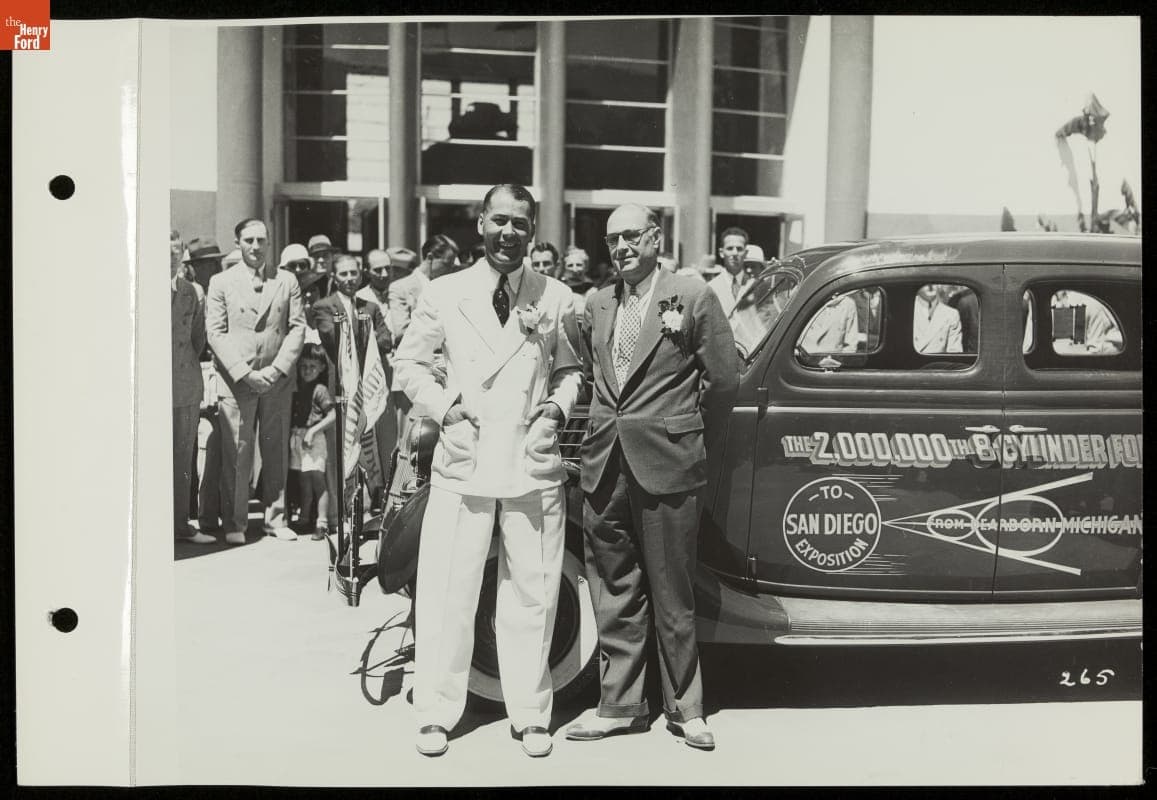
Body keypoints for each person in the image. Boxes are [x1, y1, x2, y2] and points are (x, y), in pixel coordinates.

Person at [393, 183, 583, 759]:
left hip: (531, 458)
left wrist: (557, 408)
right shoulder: (445, 292)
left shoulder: (557, 296)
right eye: (499, 221)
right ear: (480, 224)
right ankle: (436, 710)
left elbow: (571, 371)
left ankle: (530, 714)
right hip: (465, 458)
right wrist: (447, 406)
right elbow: (408, 363)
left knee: (534, 591)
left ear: (533, 230)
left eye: (520, 225)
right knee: (449, 588)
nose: (509, 234)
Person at [566, 203, 739, 751]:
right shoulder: (596, 302)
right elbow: (593, 377)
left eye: (631, 236)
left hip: (667, 463)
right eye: (612, 238)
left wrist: (682, 434)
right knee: (613, 587)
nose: (620, 247)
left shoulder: (692, 295)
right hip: (605, 464)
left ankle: (686, 707)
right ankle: (618, 705)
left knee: (672, 590)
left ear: (655, 238)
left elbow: (724, 381)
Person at [206, 218, 306, 545]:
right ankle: (235, 522)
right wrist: (244, 372)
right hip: (238, 380)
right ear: (238, 243)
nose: (255, 246)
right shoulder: (221, 282)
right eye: (249, 240)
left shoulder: (286, 280)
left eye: (261, 240)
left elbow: (296, 328)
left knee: (274, 449)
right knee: (237, 451)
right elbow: (215, 333)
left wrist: (276, 370)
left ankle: (275, 519)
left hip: (277, 380)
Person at [311, 252, 393, 524]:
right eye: (343, 274)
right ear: (334, 277)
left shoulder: (369, 307)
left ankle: (367, 507)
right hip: (341, 390)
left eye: (353, 273)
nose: (349, 278)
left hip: (366, 390)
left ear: (361, 275)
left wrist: (363, 329)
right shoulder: (324, 306)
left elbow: (384, 341)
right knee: (344, 451)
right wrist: (358, 328)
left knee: (367, 449)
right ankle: (342, 511)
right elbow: (332, 338)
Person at [171, 231, 215, 545]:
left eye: (175, 253)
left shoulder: (193, 292)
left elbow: (198, 340)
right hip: (149, 388)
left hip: (184, 385)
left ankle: (180, 525)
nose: (171, 259)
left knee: (182, 457)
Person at [287, 343, 336, 541]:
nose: (307, 371)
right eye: (304, 366)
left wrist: (313, 431)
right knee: (303, 481)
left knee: (317, 480)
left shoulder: (320, 390)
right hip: (298, 437)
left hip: (314, 438)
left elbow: (332, 415)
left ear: (321, 368)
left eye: (312, 367)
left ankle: (322, 522)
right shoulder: (297, 387)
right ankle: (305, 518)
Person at [389, 233, 459, 346]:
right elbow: (402, 333)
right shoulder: (401, 288)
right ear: (430, 257)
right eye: (447, 264)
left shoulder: (448, 287)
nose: (450, 270)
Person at [707, 226, 753, 317]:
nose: (735, 253)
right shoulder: (711, 288)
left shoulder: (754, 285)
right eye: (730, 248)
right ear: (721, 252)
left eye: (739, 249)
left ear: (746, 253)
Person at [913, 284, 963, 354]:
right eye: (926, 280)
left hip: (939, 364)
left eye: (934, 280)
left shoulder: (952, 314)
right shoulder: (905, 310)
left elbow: (954, 353)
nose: (930, 285)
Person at [561, 246, 595, 319]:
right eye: (570, 265)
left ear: (586, 267)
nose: (575, 270)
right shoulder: (560, 291)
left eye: (579, 265)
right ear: (564, 268)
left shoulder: (593, 290)